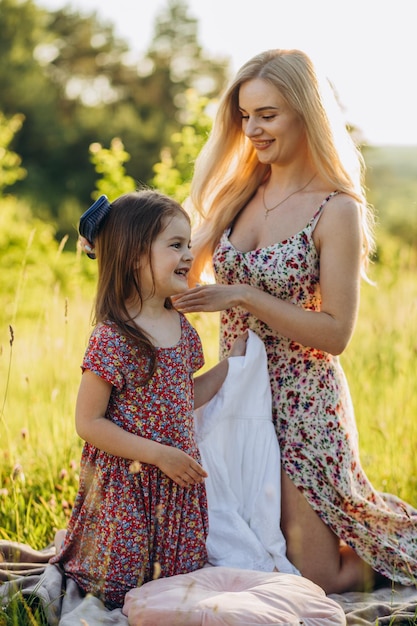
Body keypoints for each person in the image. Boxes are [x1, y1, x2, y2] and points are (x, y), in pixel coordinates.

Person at [172, 48, 417, 594]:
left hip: (303, 403)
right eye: (244, 115)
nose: (252, 129)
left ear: (305, 113)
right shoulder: (237, 194)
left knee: (315, 574)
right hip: (233, 390)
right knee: (218, 544)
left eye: (268, 114)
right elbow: (180, 277)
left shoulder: (337, 209)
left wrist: (244, 296)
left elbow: (335, 333)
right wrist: (122, 245)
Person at [50, 190, 247, 608]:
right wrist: (158, 454)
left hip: (175, 484)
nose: (188, 255)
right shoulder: (113, 336)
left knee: (177, 583)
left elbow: (183, 396)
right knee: (119, 586)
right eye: (175, 245)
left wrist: (231, 364)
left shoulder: (183, 328)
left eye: (188, 244)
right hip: (129, 483)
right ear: (135, 256)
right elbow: (89, 422)